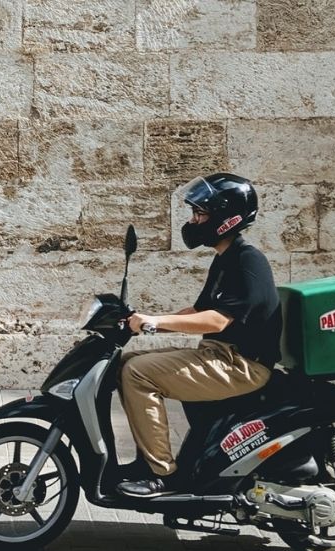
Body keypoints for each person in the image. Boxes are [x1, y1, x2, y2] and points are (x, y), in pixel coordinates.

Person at [116, 173, 282, 497]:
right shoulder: (224, 260)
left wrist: (154, 322)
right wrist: (143, 321)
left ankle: (160, 475)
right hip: (219, 357)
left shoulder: (248, 261)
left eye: (200, 214)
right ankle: (144, 459)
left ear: (226, 217)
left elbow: (217, 321)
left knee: (137, 374)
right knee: (125, 362)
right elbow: (196, 312)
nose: (194, 221)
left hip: (242, 365)